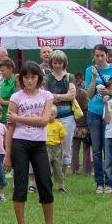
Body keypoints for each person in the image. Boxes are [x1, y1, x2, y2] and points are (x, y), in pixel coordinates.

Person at [4, 62, 58, 224]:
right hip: (20, 142)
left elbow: (44, 121)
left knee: (45, 182)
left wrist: (19, 118)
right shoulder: (16, 97)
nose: (29, 80)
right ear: (21, 78)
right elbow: (10, 127)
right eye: (26, 77)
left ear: (39, 78)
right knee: (21, 183)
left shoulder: (46, 96)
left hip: (39, 143)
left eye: (33, 77)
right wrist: (7, 155)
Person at [84, 44, 112, 194]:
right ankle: (99, 183)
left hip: (110, 112)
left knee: (109, 149)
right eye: (97, 55)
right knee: (96, 149)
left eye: (102, 55)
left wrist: (107, 91)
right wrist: (94, 78)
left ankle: (110, 182)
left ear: (107, 55)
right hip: (94, 112)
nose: (99, 58)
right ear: (93, 56)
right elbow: (88, 95)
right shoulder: (90, 70)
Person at [46, 50, 77, 179]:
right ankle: (50, 171)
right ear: (51, 63)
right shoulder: (47, 78)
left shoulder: (70, 77)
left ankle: (62, 174)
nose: (58, 65)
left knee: (66, 144)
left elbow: (72, 96)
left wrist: (56, 96)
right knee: (49, 144)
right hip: (50, 117)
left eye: (60, 63)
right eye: (55, 63)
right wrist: (63, 96)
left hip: (67, 116)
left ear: (64, 63)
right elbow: (46, 96)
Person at [71, 72, 92, 175]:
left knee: (76, 148)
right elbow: (87, 107)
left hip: (77, 124)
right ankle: (86, 170)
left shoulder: (72, 94)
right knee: (85, 148)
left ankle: (75, 169)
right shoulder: (83, 93)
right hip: (82, 123)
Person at [45, 106, 67, 192]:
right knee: (46, 167)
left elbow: (62, 138)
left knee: (58, 167)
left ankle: (61, 186)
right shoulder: (44, 125)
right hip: (46, 147)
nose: (50, 116)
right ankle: (47, 185)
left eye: (52, 114)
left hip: (56, 148)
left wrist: (63, 150)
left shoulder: (59, 125)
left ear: (56, 115)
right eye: (48, 114)